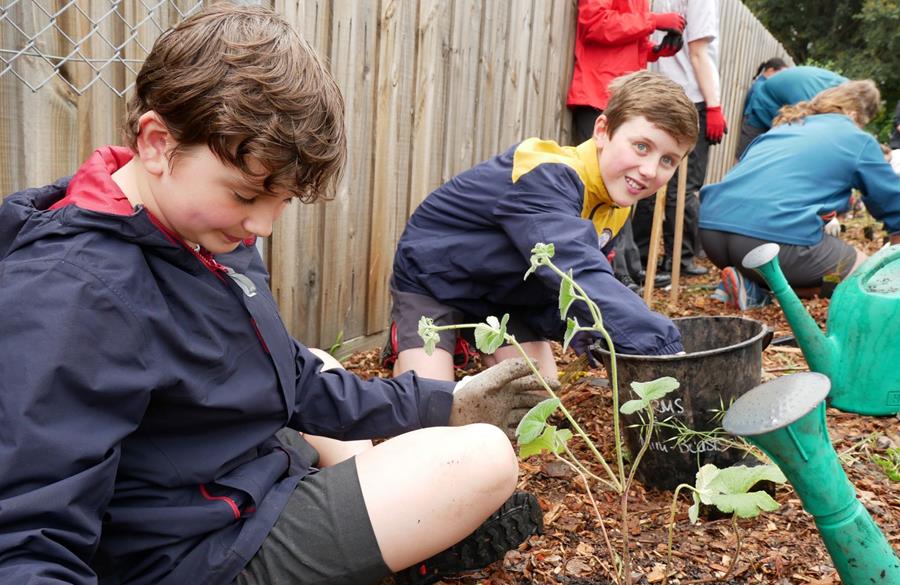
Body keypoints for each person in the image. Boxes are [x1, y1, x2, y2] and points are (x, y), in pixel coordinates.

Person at [0, 5, 549, 585]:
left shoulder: (193, 231)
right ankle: (398, 536)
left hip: (241, 479)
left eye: (281, 200)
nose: (262, 225)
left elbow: (291, 379)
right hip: (197, 555)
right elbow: (28, 534)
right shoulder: (72, 294)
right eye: (246, 195)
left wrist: (444, 402)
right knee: (483, 458)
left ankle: (398, 537)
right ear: (158, 143)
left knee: (318, 361)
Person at [385, 71, 698, 383]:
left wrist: (590, 332)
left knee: (537, 391)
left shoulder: (616, 204)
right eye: (641, 146)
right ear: (602, 131)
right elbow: (576, 270)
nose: (650, 170)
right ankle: (411, 350)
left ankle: (472, 344)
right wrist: (661, 349)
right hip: (437, 279)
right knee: (430, 396)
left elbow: (571, 286)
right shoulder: (547, 176)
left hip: (502, 294)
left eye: (668, 160)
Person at [698, 80, 900, 310]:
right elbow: (892, 201)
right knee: (861, 272)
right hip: (770, 241)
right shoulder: (855, 137)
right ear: (854, 115)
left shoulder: (783, 129)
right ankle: (764, 288)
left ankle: (749, 281)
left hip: (712, 232)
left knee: (801, 250)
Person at [565, 0, 687, 292]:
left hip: (622, 95)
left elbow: (623, 48)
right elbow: (595, 23)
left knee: (625, 192)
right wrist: (653, 21)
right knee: (606, 190)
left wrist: (654, 51)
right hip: (598, 92)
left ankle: (626, 271)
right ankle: (614, 274)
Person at [633, 0, 726, 278]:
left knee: (650, 175)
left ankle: (639, 259)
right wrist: (713, 106)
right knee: (685, 186)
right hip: (692, 96)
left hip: (662, 91)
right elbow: (698, 53)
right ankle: (679, 261)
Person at [742, 65, 847, 136]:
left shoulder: (840, 88)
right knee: (746, 156)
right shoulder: (814, 98)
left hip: (781, 112)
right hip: (761, 110)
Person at [734, 57, 788, 161]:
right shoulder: (761, 87)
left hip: (757, 128)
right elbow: (763, 108)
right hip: (753, 128)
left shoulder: (764, 85)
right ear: (770, 70)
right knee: (743, 160)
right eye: (780, 74)